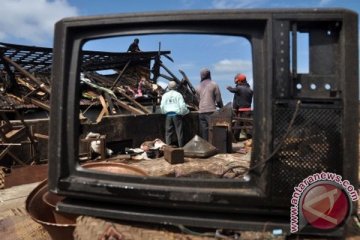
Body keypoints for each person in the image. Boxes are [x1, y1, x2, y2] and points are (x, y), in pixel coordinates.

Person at [196, 68, 223, 141]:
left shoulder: (198, 86)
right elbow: (218, 100)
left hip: (201, 111)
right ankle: (213, 146)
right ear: (209, 75)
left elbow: (198, 100)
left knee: (204, 131)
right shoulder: (214, 84)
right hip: (211, 111)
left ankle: (206, 147)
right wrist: (222, 108)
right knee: (212, 129)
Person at [160, 81, 189, 147]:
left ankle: (168, 148)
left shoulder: (165, 95)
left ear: (169, 87)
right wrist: (186, 112)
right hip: (177, 115)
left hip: (168, 115)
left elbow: (162, 106)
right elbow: (182, 106)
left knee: (168, 133)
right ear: (175, 87)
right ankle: (181, 147)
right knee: (179, 132)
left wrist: (164, 112)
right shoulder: (178, 94)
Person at [226, 73, 253, 141]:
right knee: (248, 126)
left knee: (238, 126)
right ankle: (251, 139)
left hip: (241, 111)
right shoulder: (249, 89)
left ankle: (235, 139)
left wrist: (229, 88)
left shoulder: (239, 88)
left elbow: (233, 90)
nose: (236, 82)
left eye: (237, 81)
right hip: (248, 110)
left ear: (240, 81)